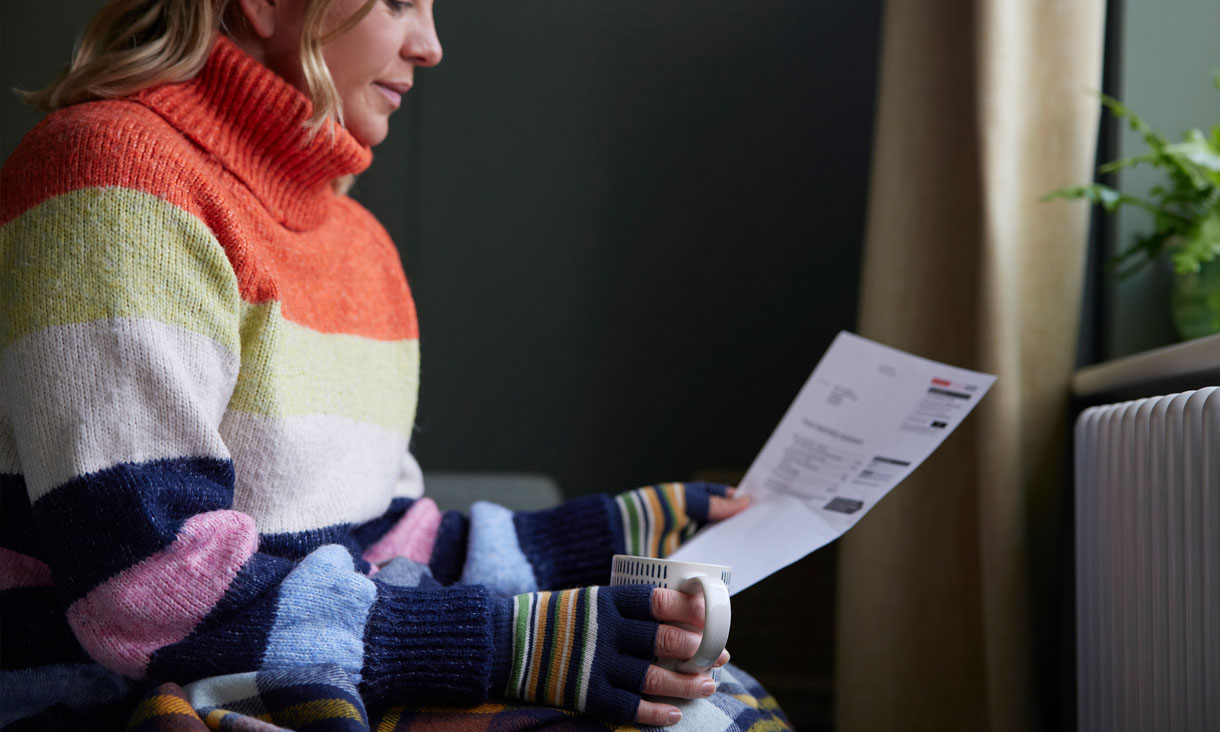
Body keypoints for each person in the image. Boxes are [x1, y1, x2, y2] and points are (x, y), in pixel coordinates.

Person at [0, 1, 791, 729]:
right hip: (112, 697)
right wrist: (510, 644)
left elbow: (380, 541)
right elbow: (146, 588)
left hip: (307, 669)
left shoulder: (359, 244)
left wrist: (612, 534)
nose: (431, 46)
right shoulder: (111, 178)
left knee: (725, 705)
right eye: (398, 3)